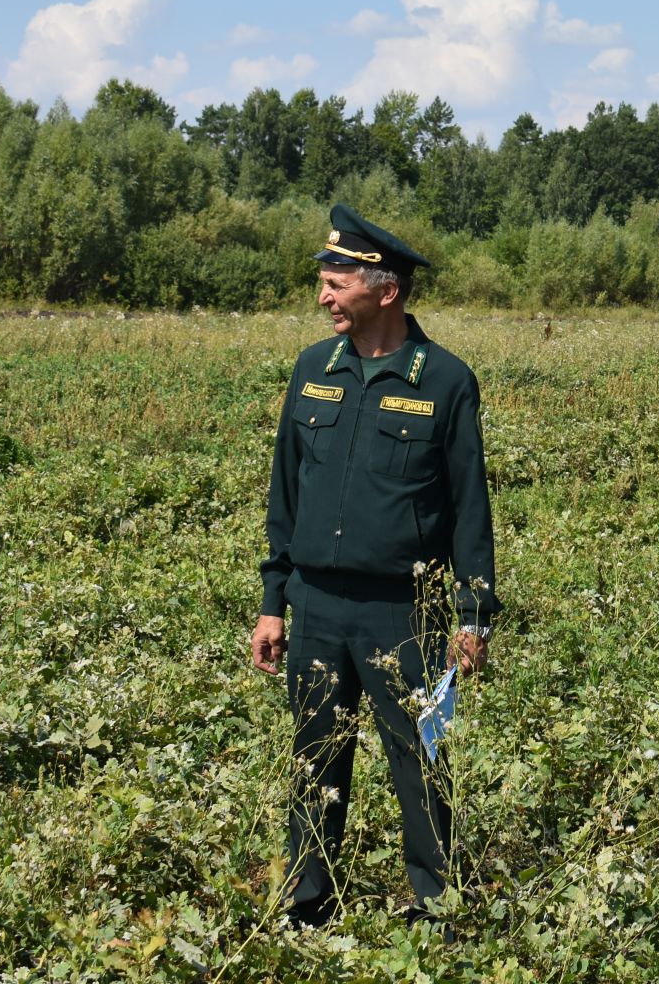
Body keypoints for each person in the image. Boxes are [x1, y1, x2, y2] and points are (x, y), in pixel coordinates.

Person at [249, 203, 500, 928]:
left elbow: (468, 508)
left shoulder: (445, 381)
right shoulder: (312, 369)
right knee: (313, 759)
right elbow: (285, 493)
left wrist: (474, 614)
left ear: (383, 289)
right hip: (317, 606)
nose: (323, 296)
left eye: (336, 282)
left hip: (403, 614)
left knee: (420, 763)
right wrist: (274, 599)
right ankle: (308, 903)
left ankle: (437, 908)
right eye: (324, 282)